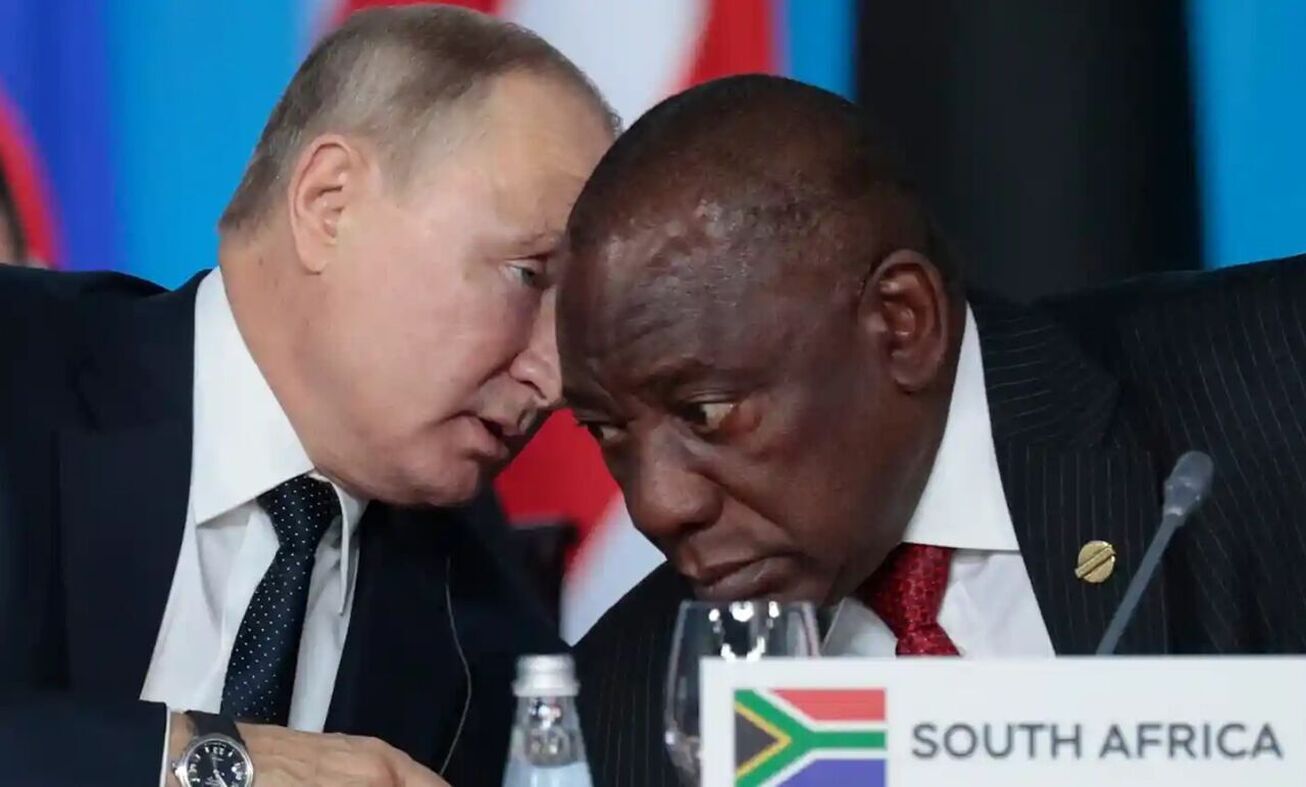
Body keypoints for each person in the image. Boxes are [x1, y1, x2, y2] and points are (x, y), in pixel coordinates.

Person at [557, 74, 1306, 786]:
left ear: (902, 322)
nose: (656, 504)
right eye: (606, 431)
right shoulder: (619, 719)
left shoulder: (1272, 386)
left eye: (706, 412)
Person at [0, 7, 615, 787]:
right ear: (330, 203)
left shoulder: (486, 613)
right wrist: (203, 761)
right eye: (527, 274)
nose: (552, 377)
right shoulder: (18, 363)